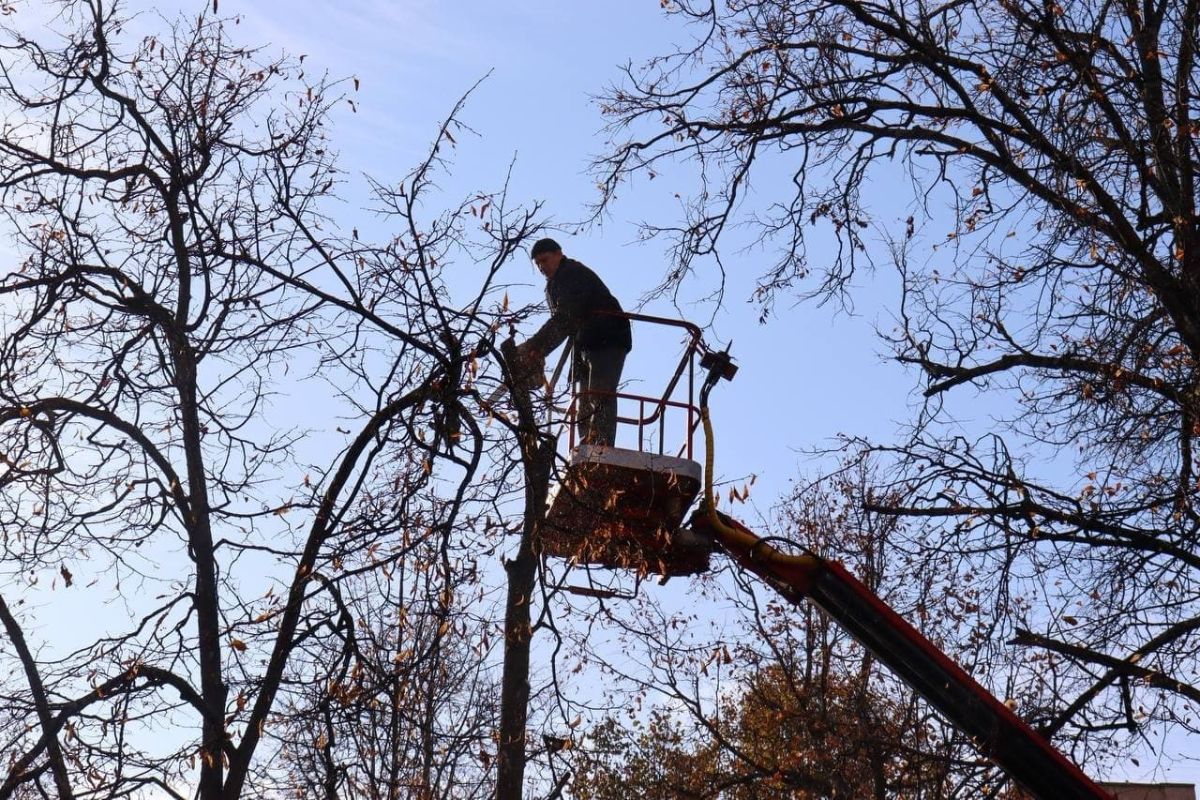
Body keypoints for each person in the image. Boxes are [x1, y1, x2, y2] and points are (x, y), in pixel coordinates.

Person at [515, 238, 632, 447]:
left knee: (599, 390)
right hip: (585, 343)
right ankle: (587, 443)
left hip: (607, 335)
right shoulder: (553, 284)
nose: (542, 267)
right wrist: (538, 351)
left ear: (559, 254)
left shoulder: (571, 273)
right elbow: (564, 323)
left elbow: (566, 318)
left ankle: (602, 445)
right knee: (583, 399)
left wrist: (536, 346)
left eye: (545, 260)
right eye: (538, 264)